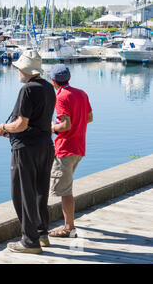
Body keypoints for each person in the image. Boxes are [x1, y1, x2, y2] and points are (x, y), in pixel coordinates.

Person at [0, 50, 56, 254]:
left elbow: (20, 124)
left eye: (19, 68)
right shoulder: (48, 87)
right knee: (40, 191)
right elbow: (38, 121)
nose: (17, 71)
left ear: (26, 70)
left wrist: (3, 127)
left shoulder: (27, 90)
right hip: (45, 146)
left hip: (26, 149)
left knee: (22, 193)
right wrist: (10, 131)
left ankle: (30, 242)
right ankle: (41, 233)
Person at [48, 64, 93, 238]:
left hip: (65, 149)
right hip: (79, 147)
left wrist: (52, 127)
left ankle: (69, 228)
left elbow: (65, 125)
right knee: (66, 187)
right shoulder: (81, 93)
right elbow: (89, 118)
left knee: (65, 191)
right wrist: (76, 126)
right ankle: (69, 224)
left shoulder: (61, 97)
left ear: (53, 81)